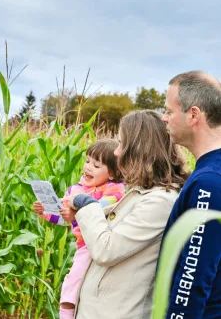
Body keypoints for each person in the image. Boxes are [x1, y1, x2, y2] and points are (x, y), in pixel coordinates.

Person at [59, 110, 189, 319]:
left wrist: (84, 201)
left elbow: (106, 249)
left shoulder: (160, 201)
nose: (117, 152)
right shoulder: (143, 193)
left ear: (140, 149)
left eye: (121, 144)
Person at [33, 139, 126, 319]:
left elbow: (97, 207)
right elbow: (64, 219)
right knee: (72, 285)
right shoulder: (75, 190)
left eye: (96, 165)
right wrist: (45, 212)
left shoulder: (115, 189)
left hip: (99, 243)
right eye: (87, 161)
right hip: (83, 246)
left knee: (72, 283)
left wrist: (75, 211)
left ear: (113, 174)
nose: (88, 167)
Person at [160, 71, 221, 318]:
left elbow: (193, 275)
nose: (164, 118)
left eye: (169, 111)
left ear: (193, 115)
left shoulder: (209, 182)